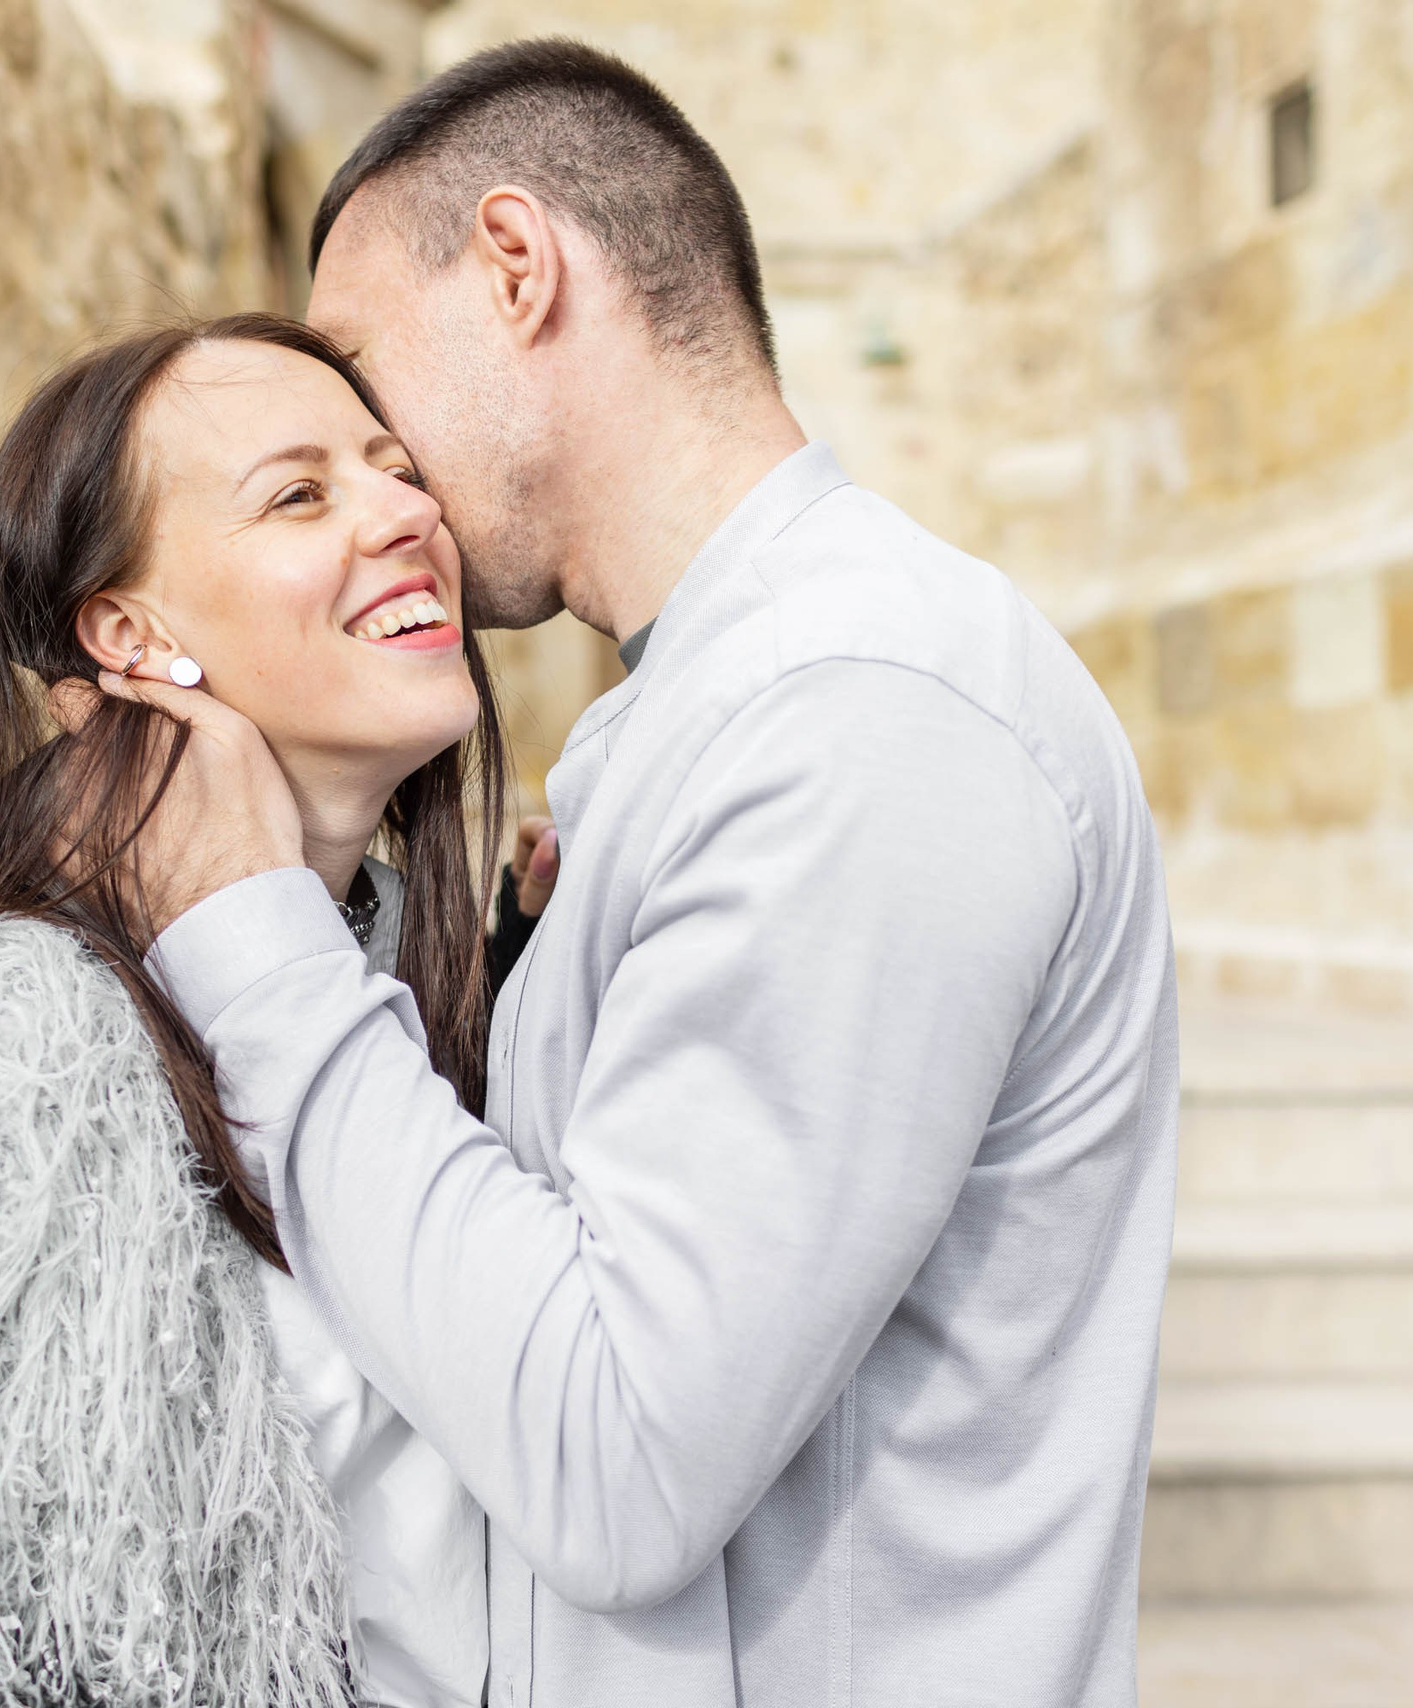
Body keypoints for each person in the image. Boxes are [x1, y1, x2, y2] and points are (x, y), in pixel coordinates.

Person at [94, 40, 1182, 1708]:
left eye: (368, 381)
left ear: (516, 267)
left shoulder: (860, 711)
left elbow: (619, 1463)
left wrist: (257, 943)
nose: (387, 475)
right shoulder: (717, 711)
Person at [0, 314, 517, 1708]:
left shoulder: (435, 991)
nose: (408, 513)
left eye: (397, 469)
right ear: (132, 635)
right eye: (300, 495)